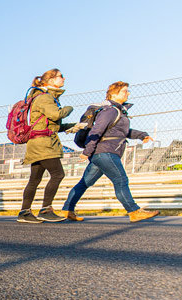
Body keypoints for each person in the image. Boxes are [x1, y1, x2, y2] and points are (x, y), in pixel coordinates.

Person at [62, 81, 160, 223]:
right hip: (106, 152)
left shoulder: (117, 111)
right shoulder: (110, 110)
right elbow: (97, 130)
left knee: (85, 182)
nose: (128, 93)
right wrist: (87, 151)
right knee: (121, 180)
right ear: (114, 94)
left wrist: (141, 135)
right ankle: (134, 211)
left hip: (101, 154)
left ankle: (67, 209)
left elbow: (122, 131)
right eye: (125, 91)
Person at [17, 69, 84, 224]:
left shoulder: (40, 97)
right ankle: (46, 210)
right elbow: (56, 115)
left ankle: (24, 212)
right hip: (44, 144)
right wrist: (69, 108)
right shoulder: (45, 97)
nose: (64, 79)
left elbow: (50, 124)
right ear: (52, 80)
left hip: (38, 142)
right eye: (61, 76)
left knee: (34, 179)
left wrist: (73, 126)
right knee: (58, 174)